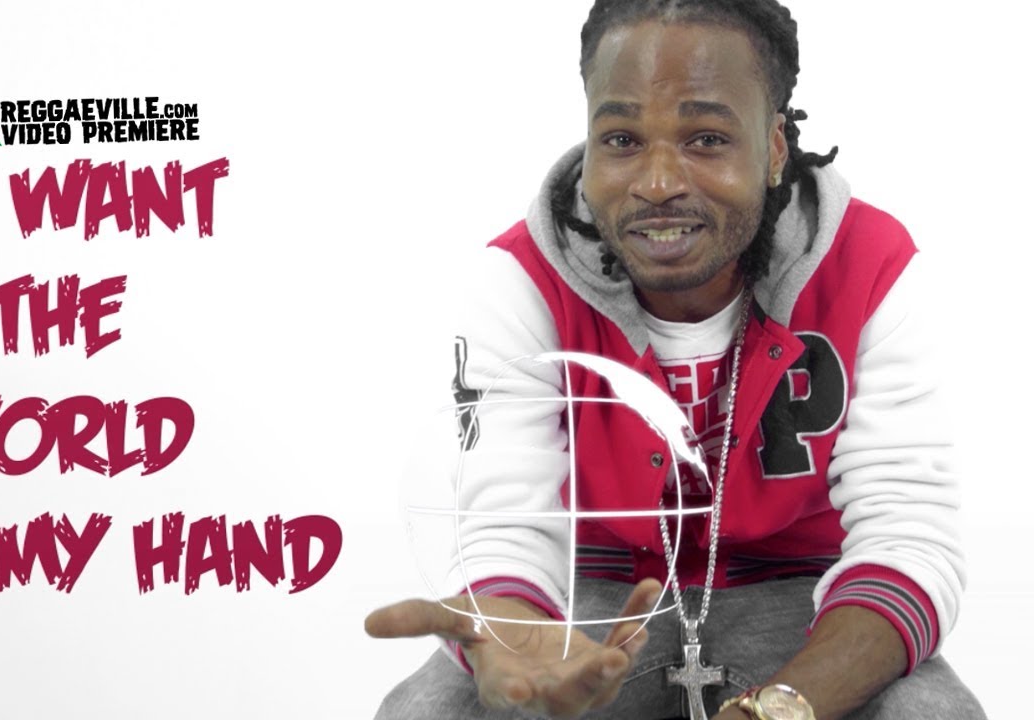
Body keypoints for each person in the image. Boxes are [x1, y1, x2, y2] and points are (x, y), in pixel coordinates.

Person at [365, 1, 987, 718]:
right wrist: (509, 635)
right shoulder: (522, 280)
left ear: (774, 148)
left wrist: (779, 709)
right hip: (596, 602)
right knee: (427, 710)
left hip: (805, 596)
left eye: (707, 139)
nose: (658, 183)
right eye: (622, 139)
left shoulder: (866, 264)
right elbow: (503, 529)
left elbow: (909, 538)